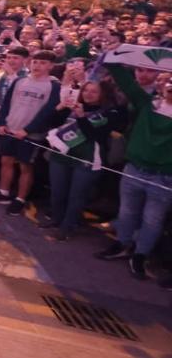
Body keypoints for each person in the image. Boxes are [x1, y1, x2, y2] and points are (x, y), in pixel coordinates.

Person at [96, 58, 172, 282]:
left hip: (164, 177)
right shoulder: (147, 104)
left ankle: (140, 255)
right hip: (134, 169)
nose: (168, 86)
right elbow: (127, 83)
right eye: (166, 81)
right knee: (127, 212)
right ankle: (122, 243)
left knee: (152, 220)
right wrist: (112, 58)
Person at [42, 80, 126, 241]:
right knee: (58, 190)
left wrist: (81, 117)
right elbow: (51, 123)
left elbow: (94, 135)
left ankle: (68, 227)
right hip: (61, 155)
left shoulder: (109, 113)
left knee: (77, 195)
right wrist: (60, 107)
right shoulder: (74, 106)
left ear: (103, 94)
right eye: (86, 90)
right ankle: (56, 219)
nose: (88, 94)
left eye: (94, 91)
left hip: (87, 158)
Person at [0, 50, 61, 217]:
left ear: (51, 66)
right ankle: (3, 192)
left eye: (43, 63)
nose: (37, 65)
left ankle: (20, 199)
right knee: (5, 161)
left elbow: (48, 112)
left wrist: (28, 130)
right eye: (35, 62)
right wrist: (0, 122)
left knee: (25, 167)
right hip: (10, 128)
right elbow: (6, 103)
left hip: (31, 134)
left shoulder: (53, 86)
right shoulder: (20, 81)